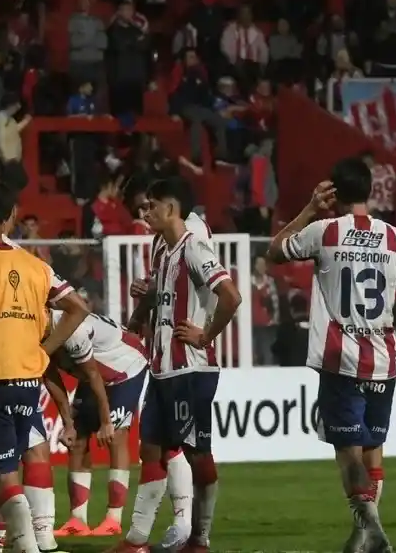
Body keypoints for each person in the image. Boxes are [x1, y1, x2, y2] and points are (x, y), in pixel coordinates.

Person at [266, 157, 396, 553]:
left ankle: (372, 528)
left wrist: (309, 208)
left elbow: (275, 250)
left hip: (340, 360)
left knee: (348, 453)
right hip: (382, 360)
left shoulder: (325, 231)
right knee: (373, 450)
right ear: (369, 189)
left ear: (334, 192)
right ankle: (363, 534)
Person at [0, 183, 91, 552]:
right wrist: (44, 351)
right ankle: (15, 541)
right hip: (29, 380)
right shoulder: (36, 265)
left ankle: (24, 544)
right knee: (10, 464)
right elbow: (78, 307)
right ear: (6, 221)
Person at [107, 177, 242, 553]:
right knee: (150, 449)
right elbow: (163, 294)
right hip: (163, 368)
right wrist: (141, 311)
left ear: (170, 208)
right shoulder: (163, 250)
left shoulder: (193, 245)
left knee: (197, 452)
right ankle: (136, 540)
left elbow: (231, 296)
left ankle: (199, 539)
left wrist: (206, 335)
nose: (145, 212)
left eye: (151, 206)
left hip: (190, 371)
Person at [52, 310, 147, 537]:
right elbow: (51, 378)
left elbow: (94, 375)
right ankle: (77, 521)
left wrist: (106, 422)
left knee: (116, 435)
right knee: (78, 438)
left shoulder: (73, 330)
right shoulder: (34, 331)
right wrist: (68, 423)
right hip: (92, 370)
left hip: (125, 366)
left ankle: (113, 519)